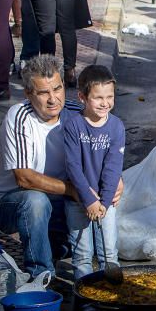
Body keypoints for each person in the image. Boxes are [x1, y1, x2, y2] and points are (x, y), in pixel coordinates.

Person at [0, 55, 119, 278]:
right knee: (35, 202)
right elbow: (24, 178)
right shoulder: (19, 117)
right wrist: (76, 191)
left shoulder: (78, 112)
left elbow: (106, 148)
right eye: (43, 93)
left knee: (101, 209)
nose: (53, 99)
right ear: (29, 94)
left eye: (57, 89)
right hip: (12, 201)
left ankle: (66, 254)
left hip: (62, 199)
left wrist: (116, 182)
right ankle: (41, 276)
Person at [63, 65, 125, 285]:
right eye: (98, 98)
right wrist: (89, 200)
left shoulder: (116, 126)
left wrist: (103, 203)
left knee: (109, 253)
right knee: (82, 255)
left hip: (105, 203)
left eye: (109, 97)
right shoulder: (73, 126)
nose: (105, 103)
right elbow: (73, 166)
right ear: (82, 97)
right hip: (77, 201)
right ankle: (86, 304)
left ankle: (113, 300)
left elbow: (113, 166)